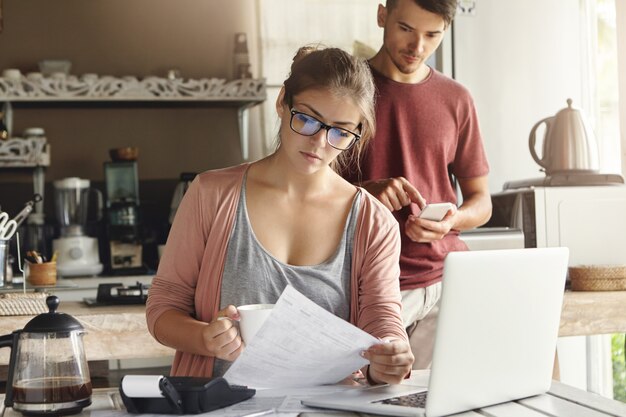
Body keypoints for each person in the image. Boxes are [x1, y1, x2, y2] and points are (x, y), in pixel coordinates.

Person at [146, 46, 414, 385]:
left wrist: (390, 355)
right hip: (220, 407)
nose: (319, 142)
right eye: (307, 118)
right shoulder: (210, 194)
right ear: (282, 102)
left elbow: (382, 317)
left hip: (326, 410)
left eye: (340, 132)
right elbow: (161, 310)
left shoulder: (374, 223)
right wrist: (204, 339)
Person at [342, 0, 492, 368]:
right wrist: (364, 192)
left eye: (432, 35)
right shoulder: (344, 91)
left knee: (443, 401)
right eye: (406, 29)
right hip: (367, 287)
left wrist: (451, 221)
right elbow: (302, 190)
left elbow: (481, 201)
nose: (418, 47)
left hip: (448, 283)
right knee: (365, 400)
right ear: (382, 16)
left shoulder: (457, 99)